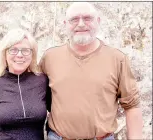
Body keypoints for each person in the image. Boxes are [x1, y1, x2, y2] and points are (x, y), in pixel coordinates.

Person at [40, 2, 143, 140]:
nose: (81, 24)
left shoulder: (118, 59)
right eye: (74, 19)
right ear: (65, 24)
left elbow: (132, 105)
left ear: (98, 21)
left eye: (87, 18)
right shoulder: (50, 58)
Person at [0, 28, 51, 140]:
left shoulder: (42, 81)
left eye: (26, 50)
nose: (20, 55)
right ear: (5, 54)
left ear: (32, 55)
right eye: (13, 50)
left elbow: (57, 114)